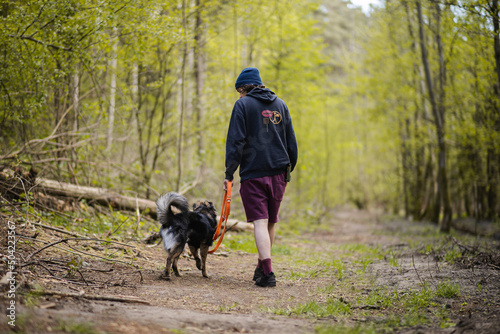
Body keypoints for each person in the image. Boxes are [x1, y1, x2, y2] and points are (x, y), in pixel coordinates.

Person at [224, 67, 298, 287]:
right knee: (270, 223)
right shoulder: (280, 104)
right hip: (279, 172)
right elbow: (291, 141)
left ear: (243, 88)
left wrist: (229, 173)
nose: (239, 96)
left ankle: (268, 274)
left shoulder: (242, 105)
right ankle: (261, 268)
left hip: (254, 173)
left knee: (260, 222)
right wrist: (288, 168)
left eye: (239, 91)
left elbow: (235, 142)